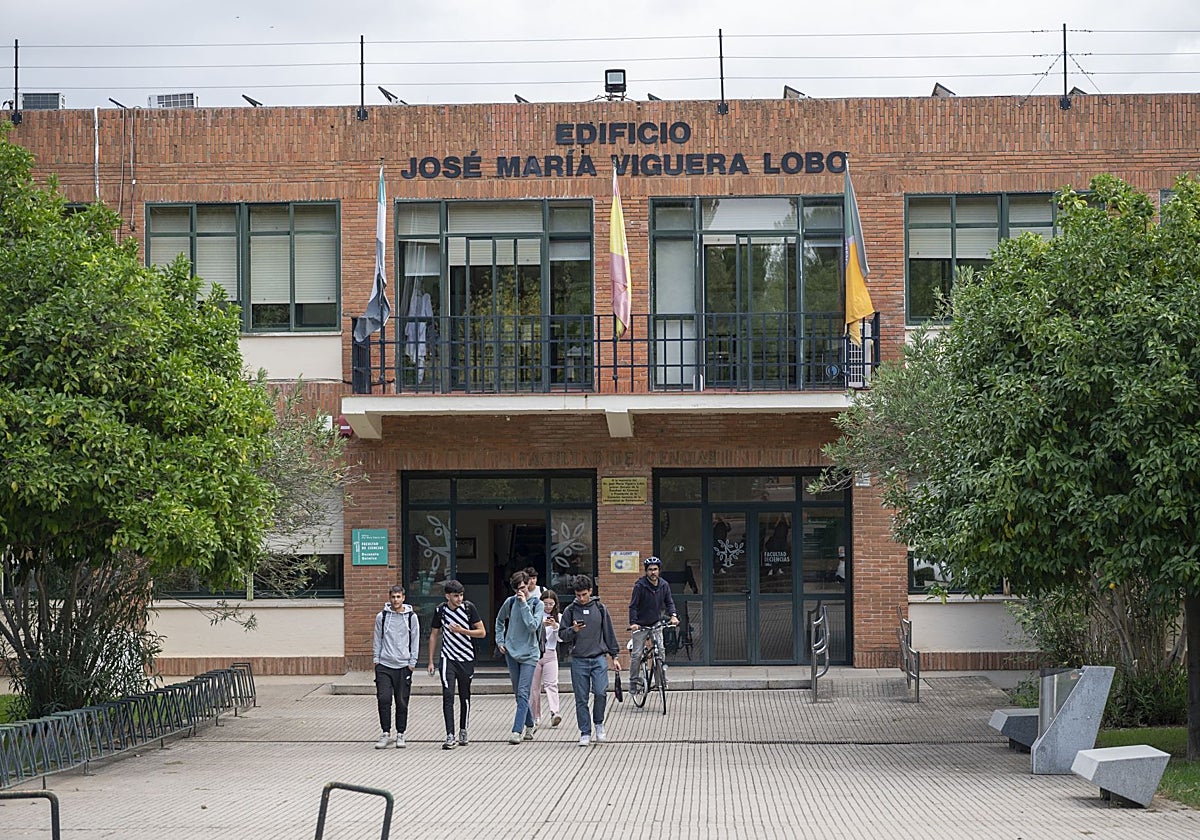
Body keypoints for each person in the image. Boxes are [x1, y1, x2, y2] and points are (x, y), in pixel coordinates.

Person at [558, 574, 620, 747]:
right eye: (578, 595)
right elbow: (562, 634)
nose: (581, 598)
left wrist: (614, 656)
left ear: (590, 592)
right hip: (579, 660)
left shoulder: (600, 608)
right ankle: (585, 731)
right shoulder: (570, 610)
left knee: (600, 692)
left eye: (584, 594)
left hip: (598, 658)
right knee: (581, 698)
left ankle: (599, 723)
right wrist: (573, 629)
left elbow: (609, 632)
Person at [427, 579, 486, 750]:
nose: (459, 599)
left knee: (465, 696)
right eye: (455, 596)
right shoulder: (440, 611)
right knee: (447, 694)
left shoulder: (469, 608)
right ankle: (449, 734)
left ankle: (463, 730)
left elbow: (481, 632)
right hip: (448, 658)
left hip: (466, 658)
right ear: (447, 596)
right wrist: (431, 661)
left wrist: (463, 631)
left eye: (461, 595)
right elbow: (434, 635)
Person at [495, 569, 546, 745]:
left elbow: (532, 626)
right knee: (518, 693)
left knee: (524, 692)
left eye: (523, 587)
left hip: (530, 654)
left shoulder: (537, 605)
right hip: (511, 652)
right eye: (517, 588)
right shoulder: (509, 603)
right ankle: (530, 724)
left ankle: (517, 730)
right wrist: (500, 640)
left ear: (529, 586)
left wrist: (524, 604)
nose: (520, 591)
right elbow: (499, 621)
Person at [372, 584, 419, 749]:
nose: (395, 600)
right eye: (393, 597)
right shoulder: (382, 617)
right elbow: (378, 638)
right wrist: (376, 660)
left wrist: (412, 663)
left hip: (403, 665)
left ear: (403, 598)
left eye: (398, 597)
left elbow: (415, 640)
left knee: (402, 701)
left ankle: (401, 733)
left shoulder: (411, 617)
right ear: (389, 597)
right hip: (384, 664)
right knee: (383, 698)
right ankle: (385, 733)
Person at [627, 556, 679, 694]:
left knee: (660, 651)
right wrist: (633, 623)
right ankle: (633, 682)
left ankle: (660, 681)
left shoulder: (664, 585)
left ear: (659, 570)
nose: (653, 572)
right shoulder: (640, 586)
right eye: (650, 570)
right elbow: (633, 606)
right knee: (637, 654)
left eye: (655, 569)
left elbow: (669, 602)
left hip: (656, 623)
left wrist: (673, 615)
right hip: (640, 624)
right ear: (646, 571)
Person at [530, 588, 562, 727]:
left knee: (551, 684)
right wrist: (541, 626)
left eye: (551, 604)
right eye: (546, 603)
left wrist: (555, 626)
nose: (548, 607)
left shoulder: (559, 617)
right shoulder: (536, 615)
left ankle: (554, 712)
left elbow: (560, 638)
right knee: (534, 687)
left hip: (550, 652)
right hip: (535, 653)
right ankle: (535, 716)